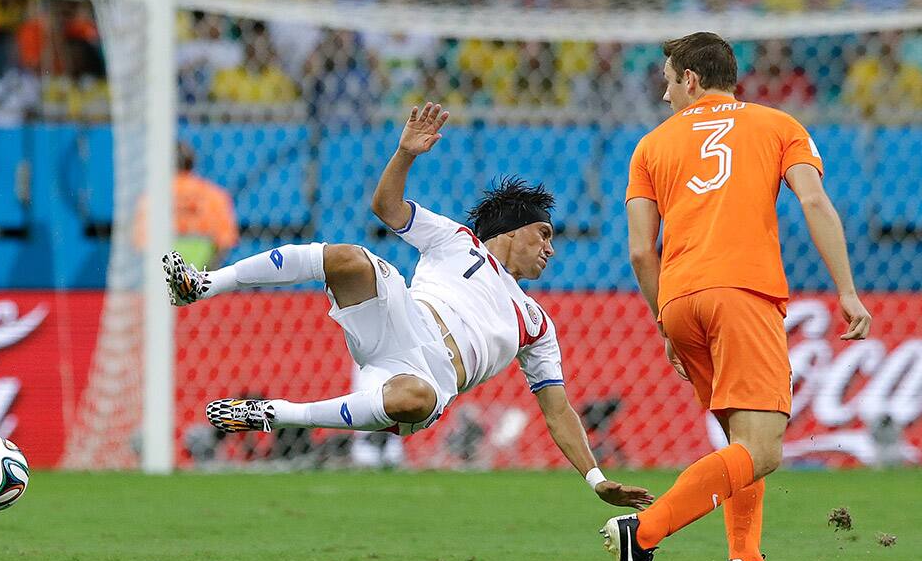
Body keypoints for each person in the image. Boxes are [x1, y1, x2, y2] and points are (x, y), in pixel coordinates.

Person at [163, 101, 653, 512]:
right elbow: (387, 208)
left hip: (432, 379)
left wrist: (596, 479)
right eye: (544, 234)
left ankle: (274, 414)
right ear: (515, 228)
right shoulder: (456, 240)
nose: (550, 248)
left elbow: (558, 409)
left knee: (414, 399)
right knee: (348, 257)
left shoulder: (537, 323)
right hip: (402, 320)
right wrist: (404, 154)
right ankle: (201, 283)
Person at [604, 32, 872, 561]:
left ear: (692, 80)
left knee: (739, 441)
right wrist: (846, 290)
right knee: (766, 449)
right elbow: (815, 202)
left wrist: (663, 321)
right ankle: (643, 532)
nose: (664, 95)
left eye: (668, 82)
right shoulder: (779, 126)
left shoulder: (649, 146)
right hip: (742, 292)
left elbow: (638, 250)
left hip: (678, 299)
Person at [135, 142, 239, 270]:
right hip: (202, 259)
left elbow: (141, 241)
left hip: (163, 256)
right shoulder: (213, 194)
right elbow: (225, 240)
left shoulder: (153, 196)